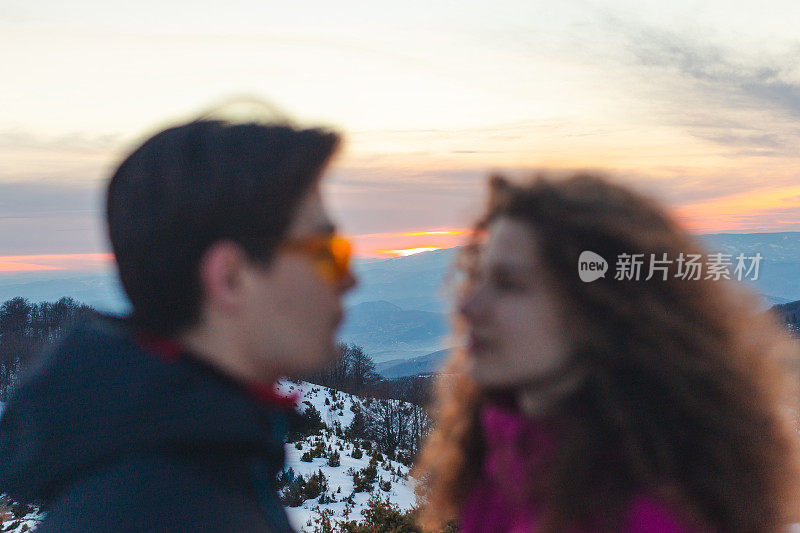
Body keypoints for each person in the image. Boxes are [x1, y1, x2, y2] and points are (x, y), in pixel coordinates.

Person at [0, 114, 355, 531]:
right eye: (326, 251)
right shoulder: (178, 508)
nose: (348, 279)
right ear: (230, 278)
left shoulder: (167, 472)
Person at [413, 173, 800, 532]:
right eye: (477, 276)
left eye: (509, 284)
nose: (469, 307)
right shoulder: (505, 454)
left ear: (598, 310)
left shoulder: (650, 511)